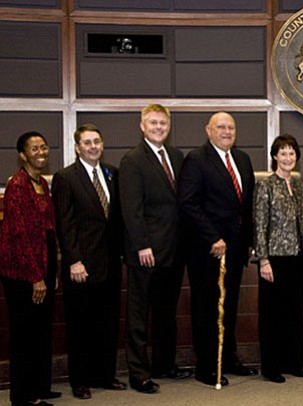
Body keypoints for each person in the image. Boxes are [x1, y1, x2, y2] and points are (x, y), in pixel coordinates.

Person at [178, 111, 258, 387]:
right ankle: (207, 365)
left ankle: (228, 357)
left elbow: (245, 206)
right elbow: (188, 203)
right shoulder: (197, 159)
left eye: (231, 127)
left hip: (235, 250)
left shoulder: (243, 159)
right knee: (207, 307)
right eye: (221, 127)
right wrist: (212, 237)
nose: (227, 131)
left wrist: (248, 240)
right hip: (207, 249)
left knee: (230, 306)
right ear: (208, 130)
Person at [119, 104, 191, 394]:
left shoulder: (175, 156)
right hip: (146, 252)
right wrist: (142, 245)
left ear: (169, 126)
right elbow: (131, 210)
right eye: (153, 122)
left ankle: (164, 364)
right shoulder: (133, 160)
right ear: (142, 126)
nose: (158, 127)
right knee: (138, 316)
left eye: (163, 123)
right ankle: (139, 373)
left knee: (165, 313)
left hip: (173, 251)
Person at [52, 124, 126, 399]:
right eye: (87, 142)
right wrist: (74, 261)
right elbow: (65, 224)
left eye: (97, 141)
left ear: (102, 144)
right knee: (80, 325)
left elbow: (115, 219)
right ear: (77, 147)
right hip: (81, 266)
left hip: (109, 263)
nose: (93, 146)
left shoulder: (112, 174)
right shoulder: (65, 177)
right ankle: (80, 381)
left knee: (107, 323)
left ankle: (104, 375)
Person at [0, 131, 60, 406]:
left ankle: (39, 387)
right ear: (23, 155)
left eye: (44, 147)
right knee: (24, 334)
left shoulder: (42, 185)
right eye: (34, 148)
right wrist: (36, 278)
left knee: (41, 331)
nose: (41, 152)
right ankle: (23, 397)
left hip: (43, 265)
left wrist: (52, 272)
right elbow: (20, 235)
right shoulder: (17, 186)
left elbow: (49, 230)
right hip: (22, 272)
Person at [253, 134, 303, 383]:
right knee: (272, 315)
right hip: (274, 259)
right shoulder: (265, 185)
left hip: (297, 258)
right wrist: (263, 260)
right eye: (283, 153)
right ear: (275, 157)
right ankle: (271, 367)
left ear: (296, 157)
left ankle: (293, 362)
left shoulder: (300, 186)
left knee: (293, 312)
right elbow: (259, 224)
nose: (288, 157)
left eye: (292, 153)